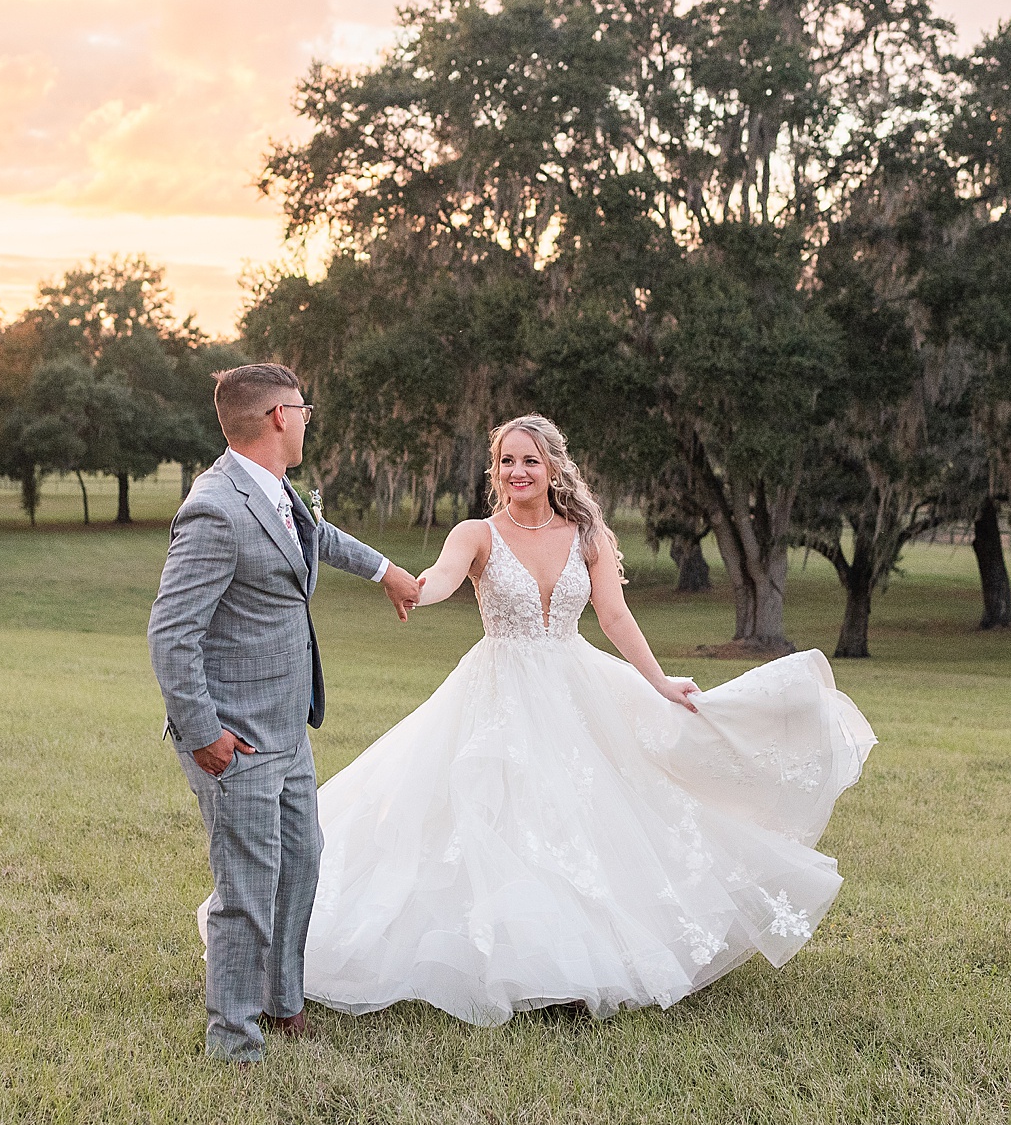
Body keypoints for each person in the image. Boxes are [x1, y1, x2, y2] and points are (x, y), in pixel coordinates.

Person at [303, 414, 877, 1026]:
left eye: (529, 460)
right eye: (505, 461)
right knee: (508, 817)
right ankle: (523, 965)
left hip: (577, 682)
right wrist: (414, 585)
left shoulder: (587, 535)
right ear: (493, 471)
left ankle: (578, 971)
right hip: (499, 687)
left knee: (595, 814)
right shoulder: (477, 534)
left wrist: (657, 683)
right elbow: (442, 581)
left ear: (553, 466)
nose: (517, 472)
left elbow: (615, 616)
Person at [148, 363, 422, 1064]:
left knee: (302, 859)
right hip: (235, 739)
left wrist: (385, 569)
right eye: (302, 407)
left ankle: (281, 997)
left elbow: (317, 536)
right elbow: (170, 633)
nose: (307, 418)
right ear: (277, 416)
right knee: (245, 887)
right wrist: (203, 733)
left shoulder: (274, 491)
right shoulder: (217, 507)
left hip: (288, 727)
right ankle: (234, 1039)